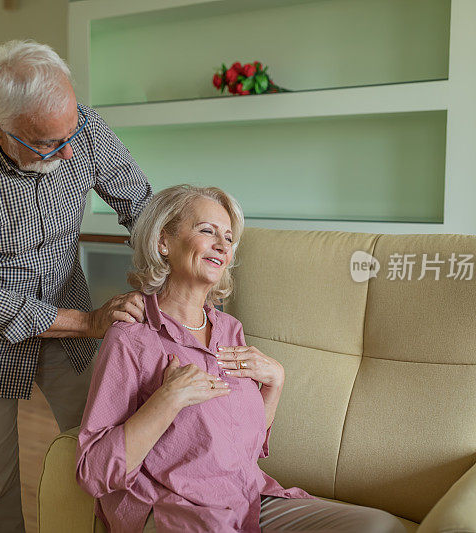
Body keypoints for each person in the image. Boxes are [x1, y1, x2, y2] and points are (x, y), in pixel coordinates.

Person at [0, 40, 153, 532]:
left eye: (72, 134)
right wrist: (89, 322)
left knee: (105, 453)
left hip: (65, 316)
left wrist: (174, 268)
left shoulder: (81, 128)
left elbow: (143, 206)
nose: (68, 153)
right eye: (47, 144)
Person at [76, 185, 405, 532]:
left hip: (247, 498)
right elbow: (93, 471)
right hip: (179, 508)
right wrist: (168, 400)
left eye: (228, 238)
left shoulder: (230, 330)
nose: (222, 245)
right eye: (207, 231)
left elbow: (238, 443)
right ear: (164, 242)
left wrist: (276, 383)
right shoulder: (131, 337)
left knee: (377, 526)